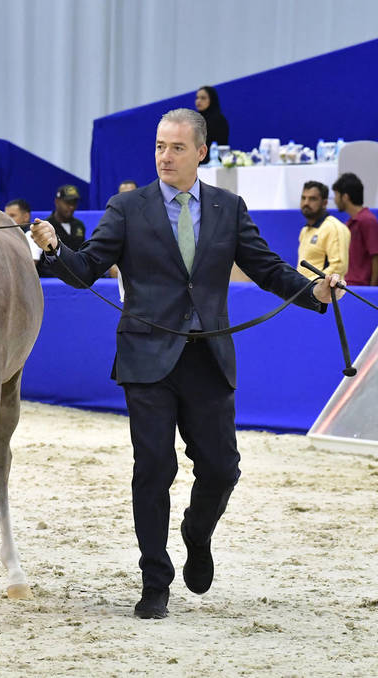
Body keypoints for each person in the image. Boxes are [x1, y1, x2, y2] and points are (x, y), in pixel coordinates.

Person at [30, 108, 342, 621]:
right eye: (158, 146)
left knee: (222, 469)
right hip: (145, 357)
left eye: (176, 148)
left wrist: (315, 290)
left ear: (201, 152)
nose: (164, 156)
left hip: (208, 356)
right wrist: (55, 249)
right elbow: (86, 270)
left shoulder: (228, 207)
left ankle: (197, 535)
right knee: (153, 469)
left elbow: (266, 268)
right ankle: (156, 581)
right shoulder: (127, 207)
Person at [296, 181, 349, 279]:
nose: (306, 203)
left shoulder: (334, 227)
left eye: (312, 199)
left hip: (323, 292)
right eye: (303, 198)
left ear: (324, 203)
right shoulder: (305, 230)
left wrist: (311, 287)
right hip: (306, 291)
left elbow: (338, 267)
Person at [333, 172, 378, 286]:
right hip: (347, 285)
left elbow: (376, 256)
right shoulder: (349, 223)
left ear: (345, 197)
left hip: (362, 288)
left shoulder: (368, 220)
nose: (335, 199)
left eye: (336, 195)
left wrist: (372, 291)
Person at [5, 198, 43, 270]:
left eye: (12, 215)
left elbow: (29, 268)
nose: (7, 219)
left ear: (26, 217)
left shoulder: (32, 234)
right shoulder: (9, 235)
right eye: (6, 216)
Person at [194, 86, 229, 163]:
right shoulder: (194, 120)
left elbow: (221, 146)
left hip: (214, 165)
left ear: (211, 100)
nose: (198, 101)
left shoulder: (219, 120)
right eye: (197, 98)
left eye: (203, 98)